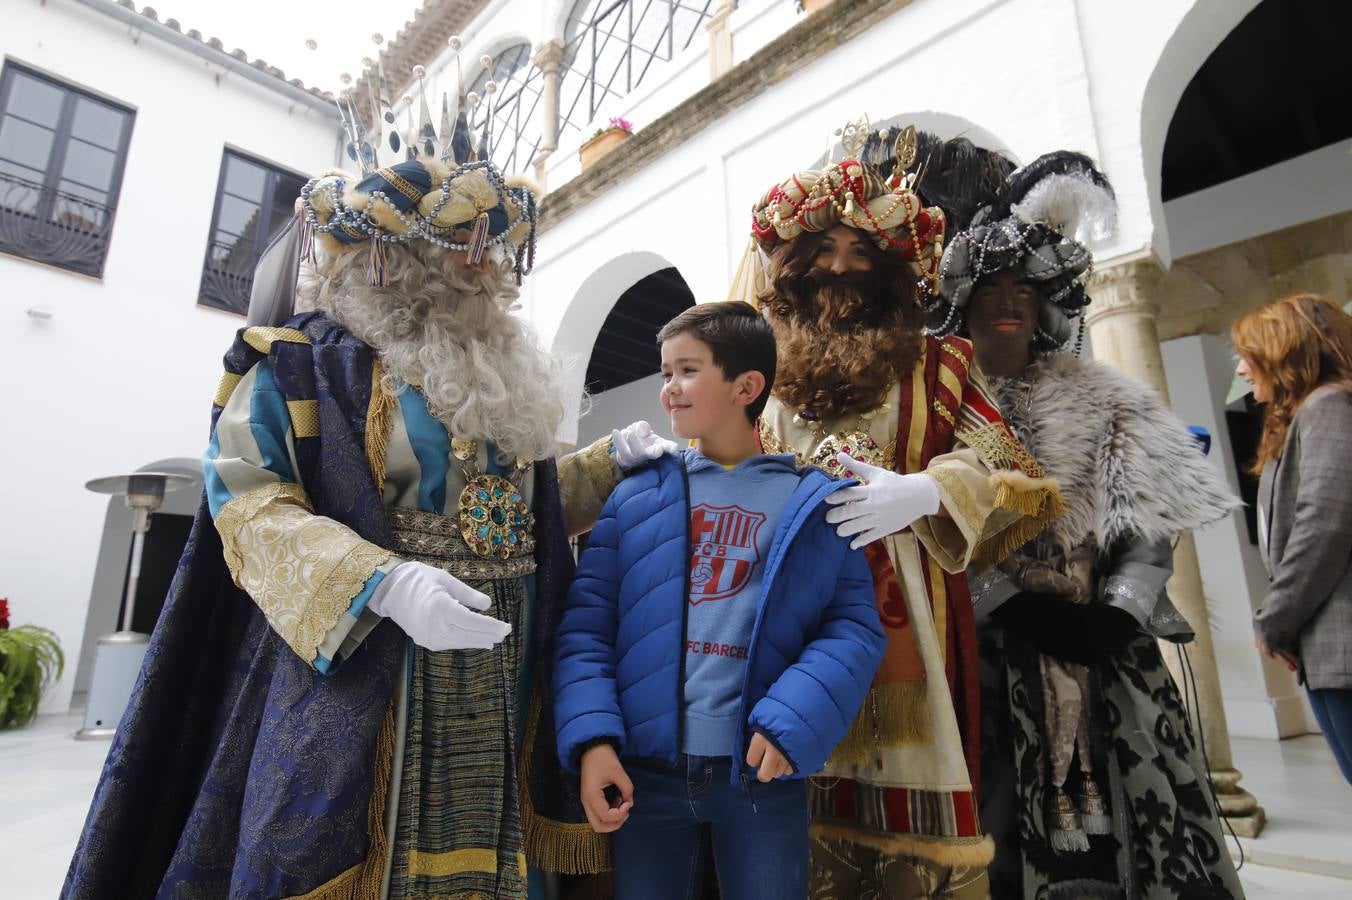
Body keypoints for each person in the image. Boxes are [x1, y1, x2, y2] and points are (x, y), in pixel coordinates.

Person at [63, 89, 674, 897]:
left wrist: (604, 465)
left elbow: (514, 512)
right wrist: (382, 584)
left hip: (506, 671)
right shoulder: (299, 365)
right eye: (464, 246)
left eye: (492, 249)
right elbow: (248, 503)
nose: (486, 268)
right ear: (399, 257)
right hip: (367, 666)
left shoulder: (502, 378)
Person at [732, 121, 1062, 899]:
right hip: (776, 617)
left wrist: (930, 490)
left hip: (908, 622)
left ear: (889, 269)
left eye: (859, 255)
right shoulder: (757, 370)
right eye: (821, 255)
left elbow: (1020, 476)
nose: (840, 269)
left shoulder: (939, 363)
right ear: (791, 267)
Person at [935, 150, 1245, 898]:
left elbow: (1149, 525)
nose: (1010, 301)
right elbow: (931, 533)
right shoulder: (936, 411)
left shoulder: (1108, 396)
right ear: (963, 300)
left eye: (1026, 287)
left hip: (1109, 665)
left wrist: (1116, 615)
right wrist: (1009, 602)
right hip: (985, 666)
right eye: (992, 286)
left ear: (1049, 303)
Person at [552, 301, 887, 900]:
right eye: (663, 373)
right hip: (646, 775)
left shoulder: (816, 504)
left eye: (686, 370)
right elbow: (587, 630)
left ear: (746, 386)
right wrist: (595, 742)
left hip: (761, 772)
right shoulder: (633, 499)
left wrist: (790, 723)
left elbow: (853, 629)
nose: (668, 390)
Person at [1233, 293, 1352, 785]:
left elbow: (1324, 525)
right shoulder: (1310, 412)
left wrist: (1274, 621)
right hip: (1326, 647)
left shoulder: (1328, 406)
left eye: (1249, 356)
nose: (1242, 370)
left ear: (1282, 353)